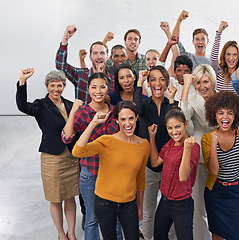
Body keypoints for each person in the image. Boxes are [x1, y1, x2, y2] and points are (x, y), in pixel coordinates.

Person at [16, 68, 80, 240]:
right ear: (47, 87)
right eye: (52, 85)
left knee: (70, 196)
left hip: (71, 157)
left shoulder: (68, 104)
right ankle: (61, 233)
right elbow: (23, 106)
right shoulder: (41, 105)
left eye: (59, 85)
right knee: (56, 198)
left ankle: (71, 233)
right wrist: (22, 81)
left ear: (63, 86)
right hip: (52, 157)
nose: (56, 89)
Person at [72, 101, 150, 240]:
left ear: (137, 117)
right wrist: (93, 123)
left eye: (131, 118)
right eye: (123, 119)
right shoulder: (106, 141)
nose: (128, 123)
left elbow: (140, 177)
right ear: (116, 121)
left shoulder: (144, 145)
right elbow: (77, 151)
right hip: (105, 203)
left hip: (129, 203)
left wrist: (140, 206)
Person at [62, 72, 120, 240]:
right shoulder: (83, 112)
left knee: (114, 218)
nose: (98, 91)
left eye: (102, 87)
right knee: (92, 219)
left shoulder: (114, 112)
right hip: (90, 174)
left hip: (112, 174)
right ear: (88, 89)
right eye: (94, 87)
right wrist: (73, 112)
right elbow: (66, 137)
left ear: (108, 88)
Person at [201, 91, 239, 240]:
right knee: (217, 236)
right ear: (214, 115)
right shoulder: (207, 139)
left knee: (234, 235)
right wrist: (214, 144)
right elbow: (213, 170)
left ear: (236, 116)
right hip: (215, 193)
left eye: (230, 113)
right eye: (221, 113)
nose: (225, 117)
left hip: (236, 192)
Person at [134, 66, 178, 240]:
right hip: (149, 167)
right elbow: (135, 107)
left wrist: (173, 99)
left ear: (167, 83)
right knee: (148, 210)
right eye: (153, 79)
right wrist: (139, 82)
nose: (157, 83)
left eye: (161, 79)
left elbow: (176, 123)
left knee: (173, 209)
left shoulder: (171, 103)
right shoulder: (143, 105)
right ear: (148, 83)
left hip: (169, 166)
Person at [148, 107, 200, 240]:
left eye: (178, 127)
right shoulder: (170, 143)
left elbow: (183, 176)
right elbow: (154, 162)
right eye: (170, 128)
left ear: (186, 124)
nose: (174, 131)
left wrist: (187, 149)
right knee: (159, 236)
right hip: (165, 201)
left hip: (182, 204)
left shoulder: (193, 147)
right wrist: (152, 138)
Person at [179, 64, 217, 240]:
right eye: (198, 83)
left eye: (206, 82)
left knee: (218, 203)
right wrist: (186, 87)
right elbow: (183, 116)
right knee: (198, 205)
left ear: (212, 81)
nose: (202, 86)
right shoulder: (193, 99)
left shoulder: (222, 98)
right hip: (200, 156)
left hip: (221, 154)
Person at [56, 25, 115, 102]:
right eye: (95, 53)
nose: (99, 56)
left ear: (107, 57)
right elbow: (61, 66)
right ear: (90, 57)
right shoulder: (81, 75)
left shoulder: (113, 79)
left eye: (102, 53)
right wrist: (65, 39)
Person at [210, 21, 239, 93]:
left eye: (234, 54)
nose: (231, 58)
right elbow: (213, 59)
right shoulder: (219, 72)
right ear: (224, 56)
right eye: (228, 54)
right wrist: (219, 33)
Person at [158, 32, 195, 101]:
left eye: (186, 71)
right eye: (179, 70)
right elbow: (159, 69)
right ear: (174, 71)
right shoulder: (171, 83)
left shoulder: (195, 88)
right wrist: (168, 45)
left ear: (190, 72)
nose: (182, 74)